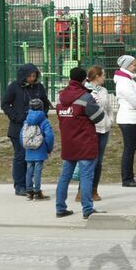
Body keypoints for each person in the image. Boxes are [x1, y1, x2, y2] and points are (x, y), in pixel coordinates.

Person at [54, 66, 101, 220]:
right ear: (83, 79)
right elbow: (98, 117)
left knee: (65, 176)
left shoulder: (61, 96)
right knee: (86, 176)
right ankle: (87, 209)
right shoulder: (85, 97)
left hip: (68, 143)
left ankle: (60, 208)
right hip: (85, 142)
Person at [1, 64, 51, 197]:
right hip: (18, 128)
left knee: (32, 159)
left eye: (34, 76)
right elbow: (5, 103)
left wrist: (43, 115)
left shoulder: (39, 87)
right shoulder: (14, 87)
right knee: (20, 156)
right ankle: (20, 185)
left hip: (36, 129)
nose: (32, 78)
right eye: (29, 76)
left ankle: (31, 185)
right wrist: (15, 117)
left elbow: (45, 103)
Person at [114, 54, 136, 187]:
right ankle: (127, 178)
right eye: (133, 64)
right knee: (129, 149)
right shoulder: (124, 82)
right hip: (128, 119)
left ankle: (128, 176)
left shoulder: (128, 79)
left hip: (132, 118)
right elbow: (134, 100)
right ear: (126, 66)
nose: (135, 66)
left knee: (131, 149)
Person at [86, 64, 112, 202]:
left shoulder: (103, 90)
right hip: (92, 129)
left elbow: (108, 108)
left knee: (99, 161)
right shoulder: (85, 90)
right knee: (90, 161)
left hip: (104, 128)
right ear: (97, 76)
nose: (104, 78)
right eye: (103, 75)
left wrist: (110, 120)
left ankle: (94, 190)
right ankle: (83, 190)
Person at [21, 98, 54, 201]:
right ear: (42, 107)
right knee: (37, 171)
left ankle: (29, 192)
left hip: (29, 150)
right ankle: (37, 192)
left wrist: (25, 145)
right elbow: (49, 136)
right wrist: (48, 149)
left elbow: (21, 135)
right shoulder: (44, 121)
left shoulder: (26, 121)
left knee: (29, 170)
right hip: (40, 149)